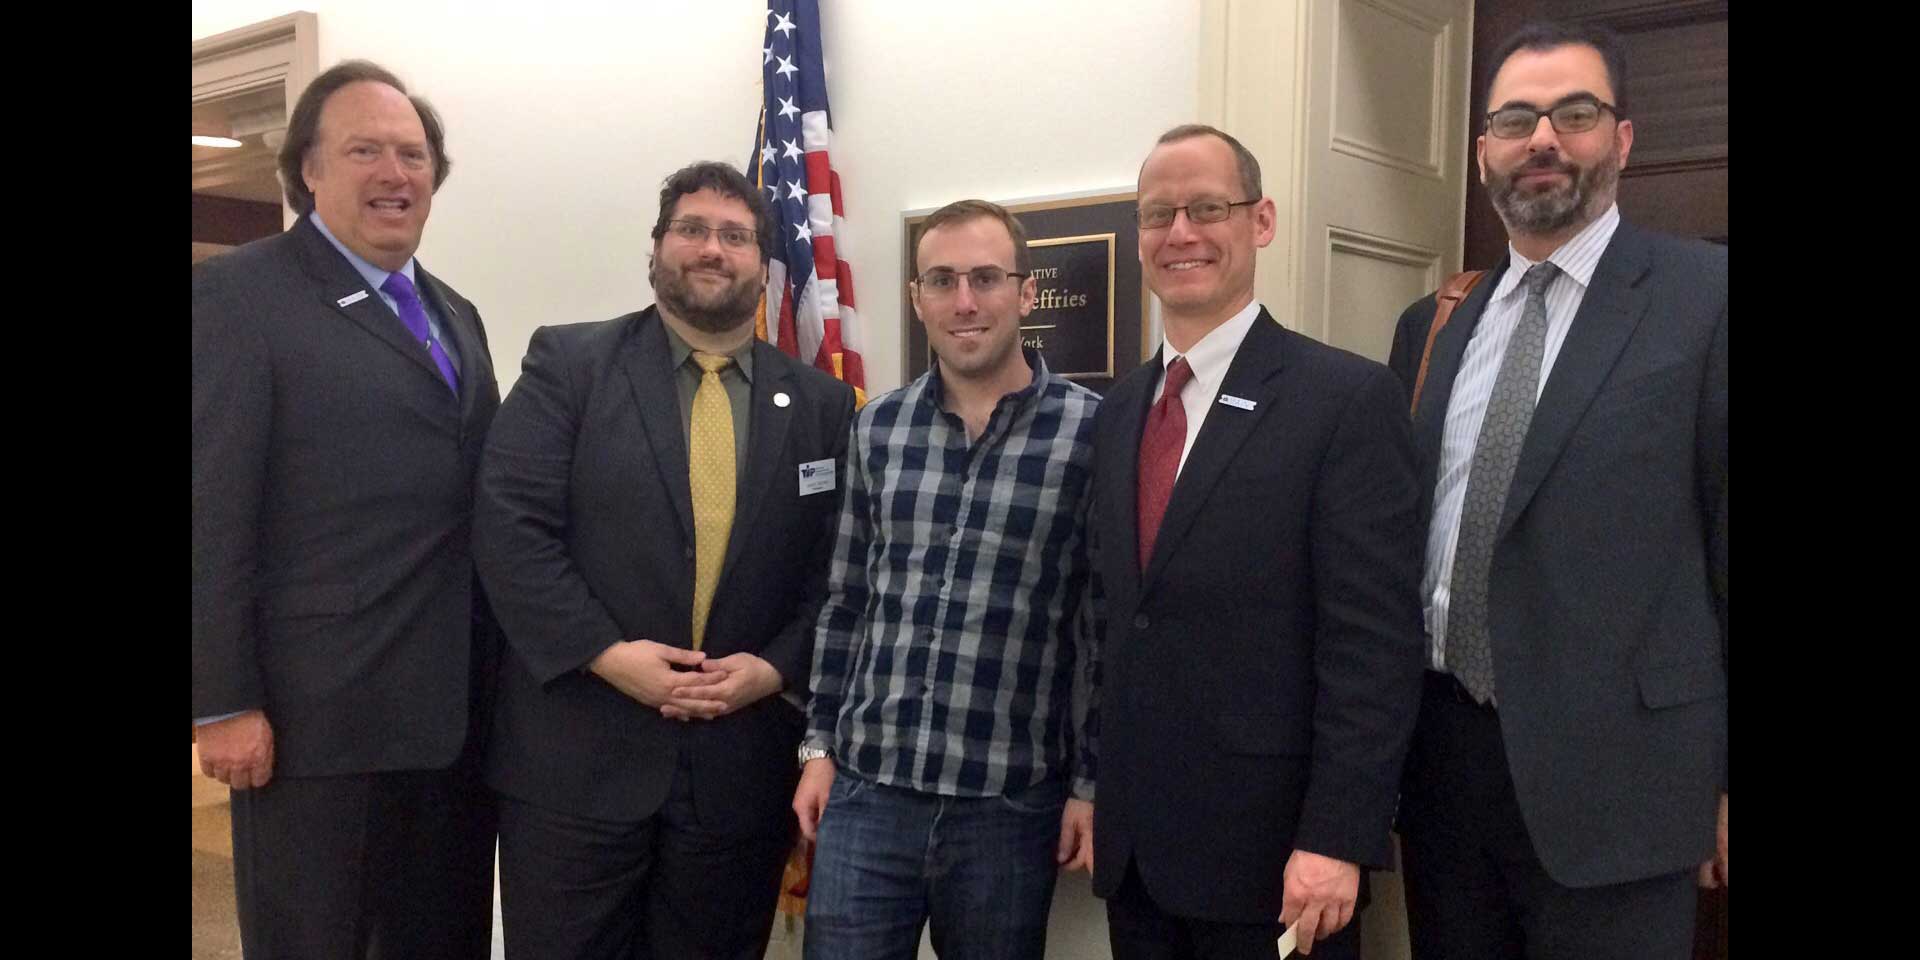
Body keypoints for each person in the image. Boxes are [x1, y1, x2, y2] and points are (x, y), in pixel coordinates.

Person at [1386, 20, 1727, 959]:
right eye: (1516, 119)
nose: (1543, 139)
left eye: (1574, 113)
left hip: (1626, 786)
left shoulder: (1706, 298)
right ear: (1484, 150)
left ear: (1622, 138)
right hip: (1445, 775)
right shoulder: (1437, 324)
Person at [473, 159, 857, 960]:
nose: (711, 249)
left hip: (737, 772)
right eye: (691, 229)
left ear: (762, 261)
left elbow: (838, 571)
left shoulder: (819, 404)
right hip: (576, 769)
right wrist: (609, 657)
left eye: (734, 235)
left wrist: (774, 670)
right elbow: (512, 530)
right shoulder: (569, 365)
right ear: (657, 249)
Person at [1088, 124, 1426, 959]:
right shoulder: (1119, 411)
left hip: (1278, 863)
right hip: (1137, 858)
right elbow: (1109, 620)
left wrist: (1339, 839)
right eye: (1159, 214)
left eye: (1209, 207)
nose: (1182, 234)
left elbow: (1373, 647)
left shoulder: (1344, 400)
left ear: (1261, 221)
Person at [192, 58, 500, 959]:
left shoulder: (457, 314)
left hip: (451, 722)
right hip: (312, 725)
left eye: (412, 154)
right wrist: (221, 700)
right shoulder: (239, 296)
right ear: (309, 171)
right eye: (364, 149)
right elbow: (210, 511)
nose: (394, 174)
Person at [793, 198, 1101, 960]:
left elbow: (1099, 630)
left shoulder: (1093, 433)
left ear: (1026, 292)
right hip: (867, 794)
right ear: (917, 298)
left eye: (987, 278)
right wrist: (817, 746)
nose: (964, 301)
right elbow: (846, 600)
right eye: (942, 280)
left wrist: (1092, 784)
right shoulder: (878, 427)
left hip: (1008, 806)